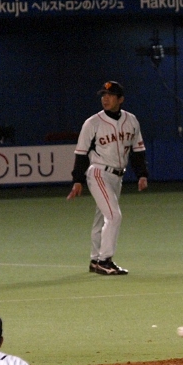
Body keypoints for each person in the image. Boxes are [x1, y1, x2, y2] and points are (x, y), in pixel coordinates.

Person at [67, 81, 149, 276]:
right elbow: (81, 153)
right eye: (103, 94)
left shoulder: (131, 120)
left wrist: (142, 174)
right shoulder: (92, 122)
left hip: (117, 177)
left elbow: (138, 151)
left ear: (120, 99)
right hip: (98, 172)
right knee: (114, 216)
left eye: (110, 95)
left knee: (102, 218)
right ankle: (105, 260)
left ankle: (96, 259)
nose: (105, 98)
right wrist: (77, 180)